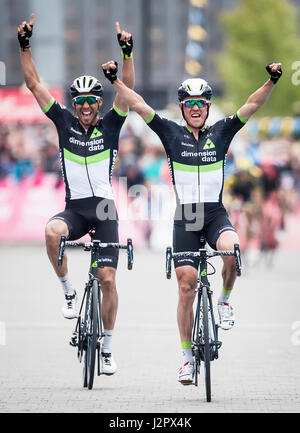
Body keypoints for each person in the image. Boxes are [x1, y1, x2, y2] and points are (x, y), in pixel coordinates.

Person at [101, 59, 282, 384]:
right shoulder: (171, 133)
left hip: (214, 214)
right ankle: (186, 359)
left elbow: (251, 105)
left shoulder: (221, 132)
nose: (195, 108)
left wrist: (271, 81)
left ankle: (225, 302)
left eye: (201, 104)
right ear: (183, 108)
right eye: (190, 104)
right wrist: (115, 80)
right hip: (186, 216)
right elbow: (139, 105)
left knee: (232, 249)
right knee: (186, 287)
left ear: (207, 107)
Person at [18, 14, 135, 376]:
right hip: (75, 210)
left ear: (99, 103)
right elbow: (35, 84)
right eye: (80, 101)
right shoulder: (64, 122)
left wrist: (126, 54)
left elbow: (128, 93)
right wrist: (24, 45)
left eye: (91, 101)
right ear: (74, 102)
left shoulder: (112, 124)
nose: (85, 106)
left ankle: (109, 348)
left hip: (104, 210)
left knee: (108, 280)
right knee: (52, 232)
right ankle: (68, 291)